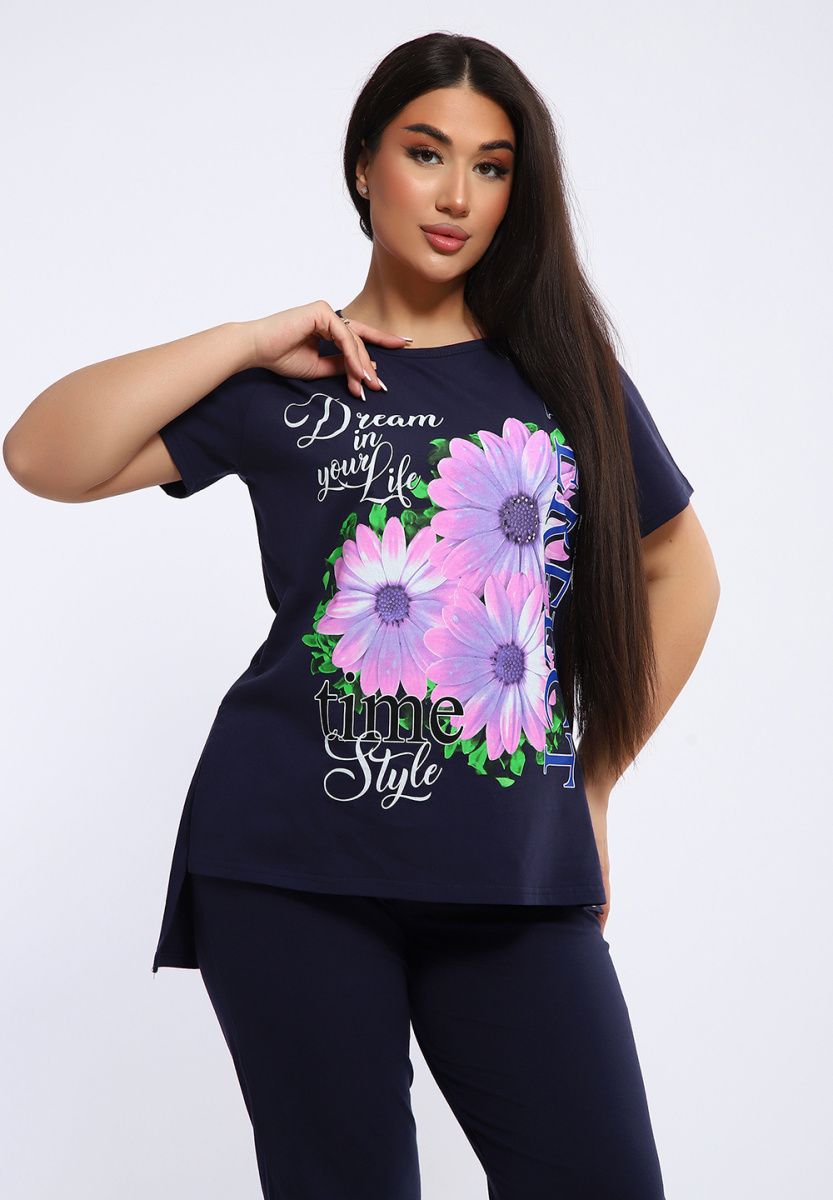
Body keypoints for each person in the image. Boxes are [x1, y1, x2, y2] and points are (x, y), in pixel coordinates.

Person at [3, 31, 719, 1200]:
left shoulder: (561, 375)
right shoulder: (289, 376)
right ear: (363, 166)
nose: (455, 196)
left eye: (490, 167)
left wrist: (590, 783)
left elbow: (679, 572)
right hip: (290, 867)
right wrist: (248, 340)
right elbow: (41, 455)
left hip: (513, 878)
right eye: (425, 153)